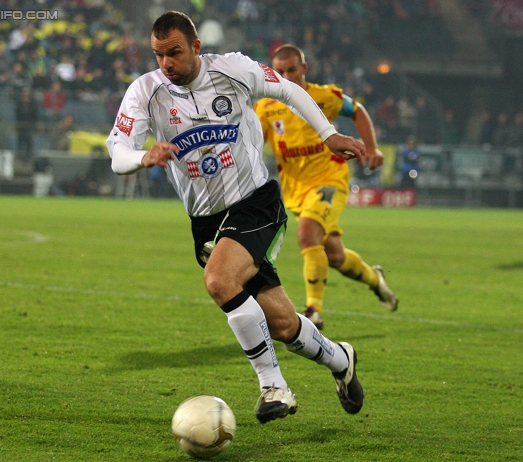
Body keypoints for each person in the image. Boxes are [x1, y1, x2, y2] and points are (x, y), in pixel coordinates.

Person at [107, 11, 370, 424]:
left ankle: (274, 386)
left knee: (218, 280)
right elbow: (117, 153)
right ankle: (341, 360)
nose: (167, 64)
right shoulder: (145, 92)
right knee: (283, 326)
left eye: (174, 53)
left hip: (255, 202)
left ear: (196, 46)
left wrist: (328, 134)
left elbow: (289, 91)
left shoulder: (233, 69)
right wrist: (144, 155)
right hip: (206, 221)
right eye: (159, 55)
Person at [254, 44, 398, 331]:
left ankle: (313, 312)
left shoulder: (323, 96)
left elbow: (356, 110)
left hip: (330, 181)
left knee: (307, 234)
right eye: (279, 71)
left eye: (292, 69)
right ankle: (374, 278)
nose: (286, 75)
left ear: (304, 69)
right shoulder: (267, 107)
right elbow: (252, 143)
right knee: (334, 256)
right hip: (296, 191)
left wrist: (372, 147)